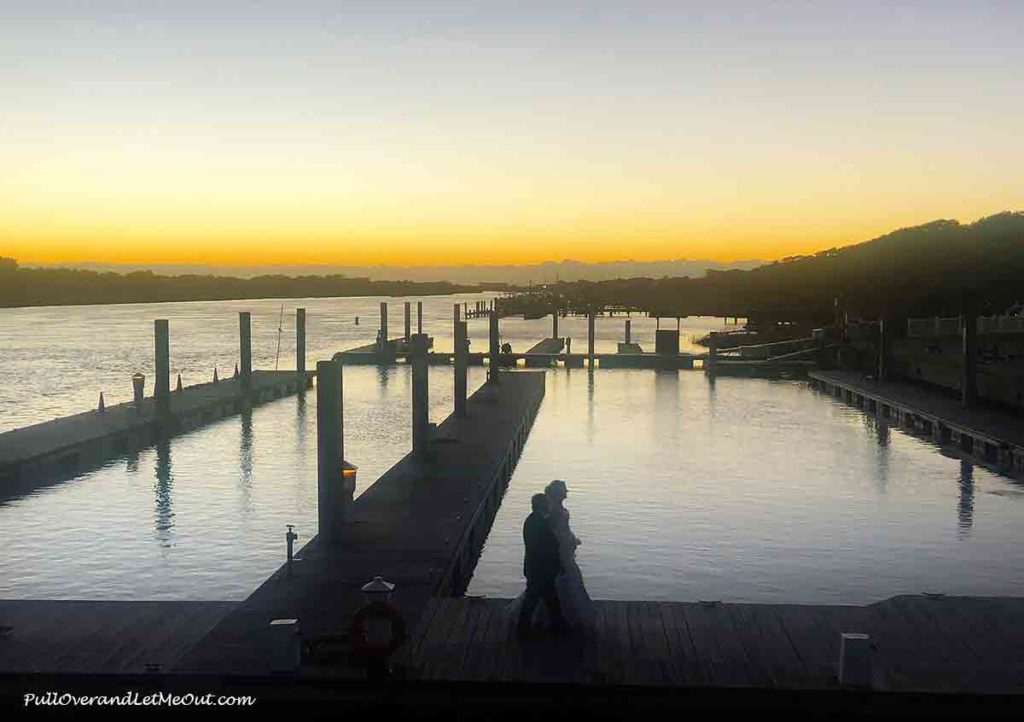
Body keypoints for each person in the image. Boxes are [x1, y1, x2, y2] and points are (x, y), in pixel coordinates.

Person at [544, 479, 596, 631]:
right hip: (561, 549)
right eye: (564, 490)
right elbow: (554, 531)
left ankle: (570, 613)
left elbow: (564, 528)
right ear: (559, 494)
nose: (567, 492)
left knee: (570, 578)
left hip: (566, 547)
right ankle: (570, 614)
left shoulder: (558, 508)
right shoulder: (554, 511)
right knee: (569, 577)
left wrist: (572, 539)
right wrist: (565, 542)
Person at [514, 493, 568, 638]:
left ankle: (554, 625)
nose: (549, 506)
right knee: (543, 599)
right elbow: (548, 548)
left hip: (535, 567)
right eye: (546, 504)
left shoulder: (531, 521)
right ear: (542, 506)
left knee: (542, 599)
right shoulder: (541, 524)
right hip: (541, 569)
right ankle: (556, 627)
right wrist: (558, 563)